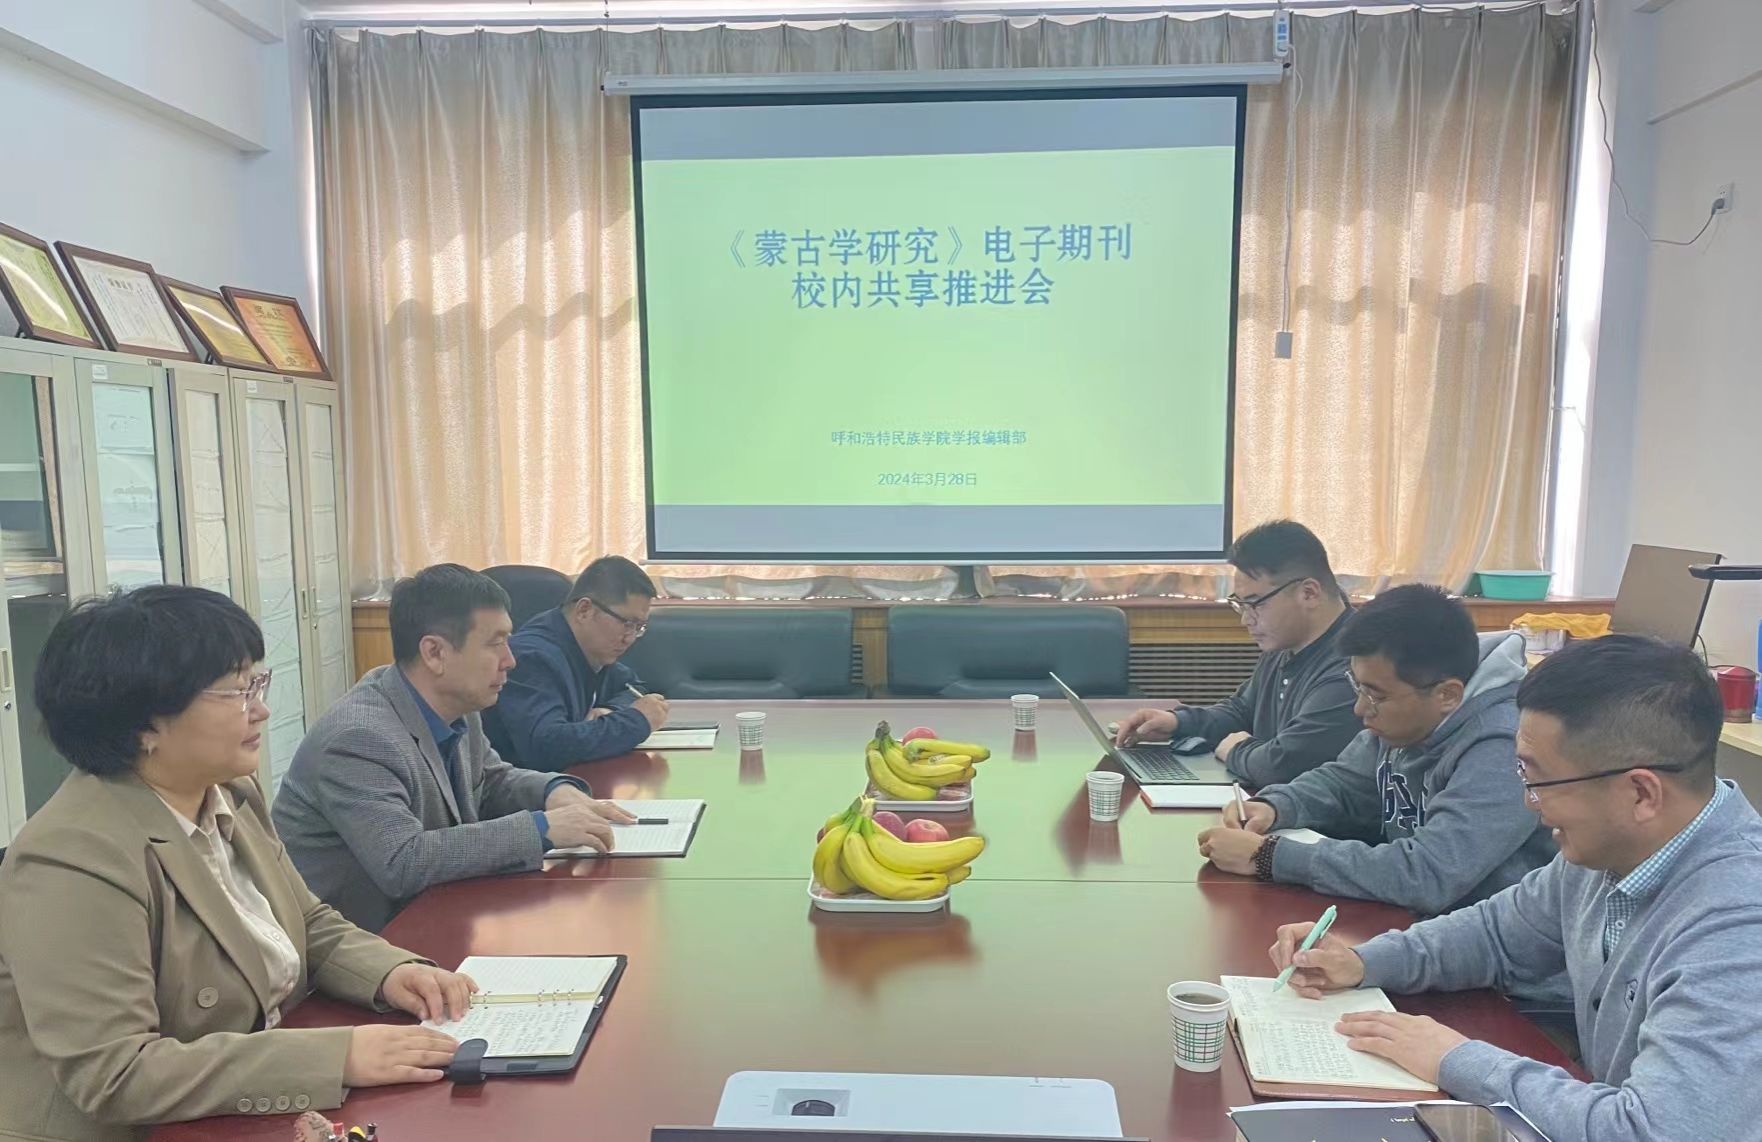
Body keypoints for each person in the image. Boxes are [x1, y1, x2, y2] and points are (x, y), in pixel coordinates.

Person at [0, 586, 472, 1142]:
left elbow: (306, 923)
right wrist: (336, 1056)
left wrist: (392, 973)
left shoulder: (228, 792)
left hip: (237, 1109)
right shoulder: (72, 858)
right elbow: (116, 1073)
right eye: (235, 691)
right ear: (144, 725)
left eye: (256, 683)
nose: (261, 708)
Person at [1269, 635, 1762, 1142]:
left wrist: (1453, 1058)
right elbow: (1496, 934)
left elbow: (1654, 1132)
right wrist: (1363, 961)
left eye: (1539, 780)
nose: (1528, 802)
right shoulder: (1610, 850)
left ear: (1640, 792)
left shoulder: (1738, 922)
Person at [273, 564, 634, 931]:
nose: (510, 660)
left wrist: (553, 792)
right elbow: (403, 861)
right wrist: (539, 828)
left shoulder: (457, 705)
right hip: (365, 943)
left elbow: (489, 781)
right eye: (495, 643)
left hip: (435, 916)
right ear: (434, 653)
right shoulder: (359, 737)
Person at [1199, 584, 1556, 918]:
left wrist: (1267, 856)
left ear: (1447, 695)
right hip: (1412, 927)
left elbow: (1429, 873)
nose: (1360, 708)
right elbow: (1342, 783)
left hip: (1485, 950)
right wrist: (1276, 806)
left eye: (1375, 695)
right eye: (1358, 687)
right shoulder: (1406, 717)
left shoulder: (1506, 746)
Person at [1114, 520, 1361, 787]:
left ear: (1309, 593)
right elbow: (1241, 712)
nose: (1246, 620)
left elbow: (1282, 765)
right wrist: (1177, 723)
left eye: (1255, 604)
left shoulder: (1355, 665)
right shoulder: (1286, 642)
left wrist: (1236, 750)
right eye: (1240, 604)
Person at [483, 555, 670, 772]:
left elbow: (632, 688)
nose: (630, 637)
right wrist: (636, 721)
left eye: (639, 627)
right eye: (627, 623)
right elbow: (547, 747)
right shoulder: (532, 658)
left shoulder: (590, 650)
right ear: (584, 610)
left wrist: (610, 710)